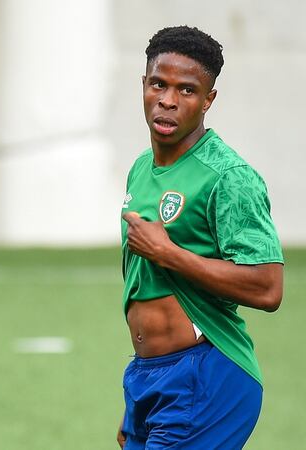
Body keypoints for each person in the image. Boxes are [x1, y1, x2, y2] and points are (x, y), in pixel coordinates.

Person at [118, 26, 284, 449]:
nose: (168, 100)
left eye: (187, 90)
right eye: (159, 83)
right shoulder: (141, 168)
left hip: (206, 375)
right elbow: (143, 284)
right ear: (144, 85)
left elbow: (268, 288)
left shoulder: (229, 177)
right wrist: (136, 402)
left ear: (208, 100)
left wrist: (167, 252)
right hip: (151, 379)